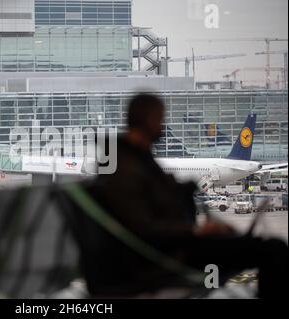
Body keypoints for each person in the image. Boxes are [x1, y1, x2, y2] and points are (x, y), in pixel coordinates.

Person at [93, 93, 287, 298]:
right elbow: (144, 228)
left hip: (174, 244)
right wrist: (195, 231)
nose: (162, 126)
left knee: (262, 245)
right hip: (168, 253)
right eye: (160, 120)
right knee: (273, 249)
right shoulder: (126, 167)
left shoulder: (135, 158)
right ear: (149, 120)